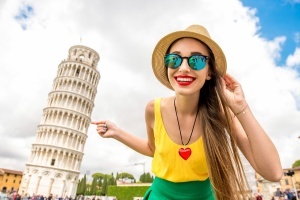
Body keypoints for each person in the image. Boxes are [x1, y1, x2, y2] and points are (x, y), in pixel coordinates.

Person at [91, 24, 283, 199]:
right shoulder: (153, 109)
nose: (183, 68)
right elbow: (153, 149)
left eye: (197, 60)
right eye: (174, 59)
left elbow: (273, 172)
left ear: (209, 72)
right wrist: (117, 132)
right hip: (160, 195)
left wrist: (241, 107)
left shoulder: (220, 114)